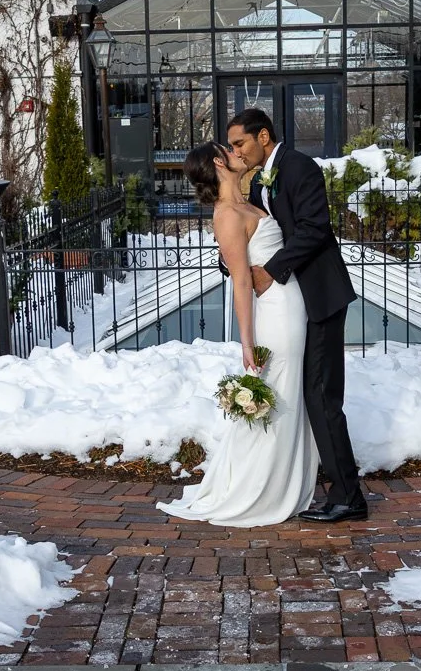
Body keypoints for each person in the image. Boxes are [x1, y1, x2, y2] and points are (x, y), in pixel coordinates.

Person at [156, 139, 318, 527]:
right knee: (279, 397)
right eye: (229, 150)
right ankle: (261, 488)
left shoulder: (249, 202)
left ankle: (285, 484)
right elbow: (241, 283)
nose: (237, 153)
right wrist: (247, 342)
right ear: (218, 162)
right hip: (276, 315)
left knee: (291, 393)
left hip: (292, 304)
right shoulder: (227, 214)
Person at [226, 109, 367, 523]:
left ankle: (348, 497)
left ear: (263, 136)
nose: (237, 151)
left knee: (322, 397)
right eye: (232, 146)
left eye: (240, 143)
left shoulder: (299, 166)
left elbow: (314, 228)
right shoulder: (259, 183)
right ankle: (322, 486)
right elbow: (258, 235)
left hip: (320, 295)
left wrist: (269, 270)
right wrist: (233, 263)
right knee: (309, 396)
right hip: (292, 303)